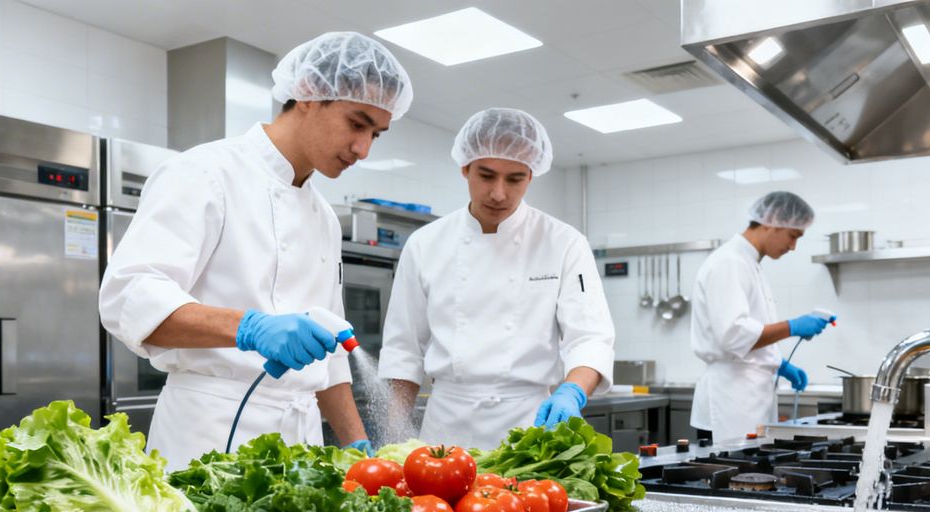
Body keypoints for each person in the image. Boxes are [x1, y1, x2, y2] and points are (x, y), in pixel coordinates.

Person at [98, 32, 412, 467]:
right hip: (208, 437)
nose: (363, 149)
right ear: (308, 93)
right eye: (356, 124)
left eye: (377, 134)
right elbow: (128, 298)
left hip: (301, 445)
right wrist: (250, 327)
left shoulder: (323, 216)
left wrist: (359, 449)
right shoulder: (204, 173)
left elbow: (331, 357)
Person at [379, 108, 616, 449]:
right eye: (486, 175)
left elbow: (590, 337)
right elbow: (404, 349)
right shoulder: (425, 244)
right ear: (465, 167)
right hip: (446, 425)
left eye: (515, 178)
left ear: (531, 175)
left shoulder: (564, 243)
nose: (499, 193)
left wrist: (572, 391)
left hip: (530, 424)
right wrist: (393, 437)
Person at [690, 191, 832, 444]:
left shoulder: (749, 263)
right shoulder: (729, 262)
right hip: (729, 404)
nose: (792, 246)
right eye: (792, 236)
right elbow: (733, 336)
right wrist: (793, 326)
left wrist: (778, 363)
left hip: (747, 400)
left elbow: (747, 332)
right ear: (771, 223)